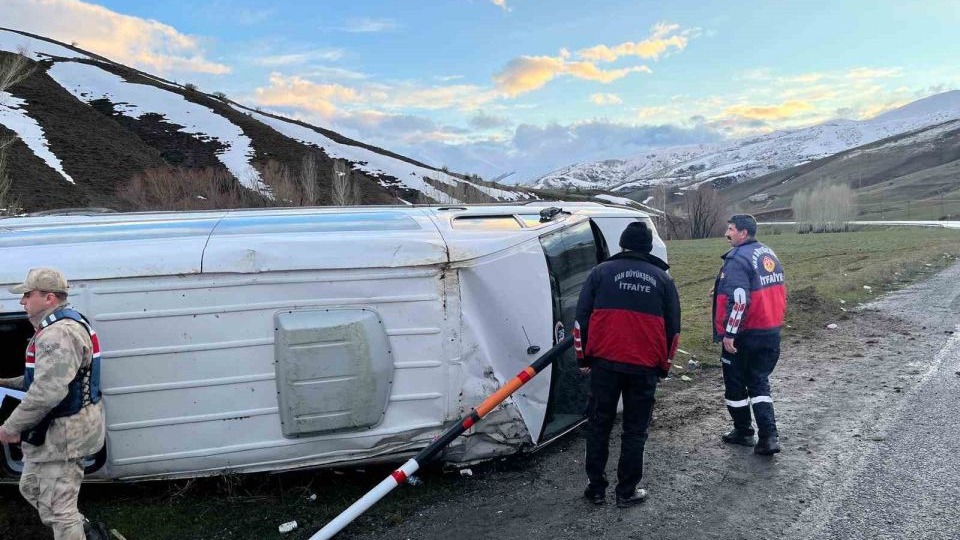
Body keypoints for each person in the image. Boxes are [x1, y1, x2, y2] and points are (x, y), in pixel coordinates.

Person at [574, 221, 681, 508]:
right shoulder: (663, 280)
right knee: (635, 430)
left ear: (622, 244)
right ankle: (626, 491)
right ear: (648, 248)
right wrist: (664, 366)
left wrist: (583, 358)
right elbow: (673, 330)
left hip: (604, 364)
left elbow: (580, 320)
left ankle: (596, 488)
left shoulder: (600, 273)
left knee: (599, 425)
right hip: (644, 368)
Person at [0, 268, 108, 540]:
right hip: (60, 432)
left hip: (64, 437)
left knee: (60, 510)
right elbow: (45, 378)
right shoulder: (62, 326)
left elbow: (48, 391)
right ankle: (83, 530)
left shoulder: (58, 334)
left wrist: (11, 427)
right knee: (31, 487)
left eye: (27, 295)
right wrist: (4, 383)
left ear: (49, 298)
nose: (22, 301)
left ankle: (77, 531)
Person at [712, 215, 787, 455]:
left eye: (731, 229)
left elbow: (740, 300)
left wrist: (730, 333)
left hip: (746, 334)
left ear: (743, 233)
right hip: (770, 330)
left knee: (735, 385)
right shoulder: (767, 253)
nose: (727, 233)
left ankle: (743, 431)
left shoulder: (737, 258)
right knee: (759, 381)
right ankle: (769, 437)